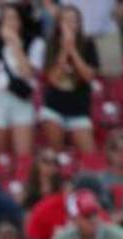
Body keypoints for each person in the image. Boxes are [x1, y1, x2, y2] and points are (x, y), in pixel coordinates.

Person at [0, 3, 45, 156]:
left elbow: (28, 73)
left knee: (23, 154)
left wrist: (15, 44)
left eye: (14, 18)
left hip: (21, 100)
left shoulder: (35, 44)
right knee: (0, 154)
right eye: (6, 19)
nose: (10, 23)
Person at [40, 5, 98, 153]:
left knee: (89, 154)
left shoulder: (88, 44)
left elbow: (88, 76)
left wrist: (72, 49)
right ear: (59, 24)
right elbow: (52, 79)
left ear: (79, 24)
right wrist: (64, 51)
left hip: (79, 109)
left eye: (73, 21)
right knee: (57, 154)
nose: (70, 25)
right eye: (66, 21)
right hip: (54, 107)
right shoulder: (51, 43)